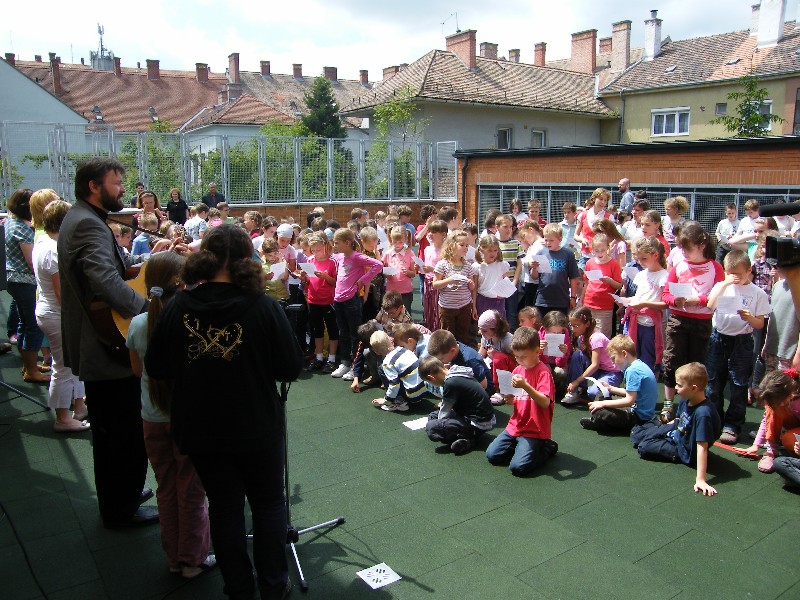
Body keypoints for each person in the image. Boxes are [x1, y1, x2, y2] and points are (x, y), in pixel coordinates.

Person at [145, 224, 302, 600]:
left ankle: (239, 589)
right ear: (247, 260)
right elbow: (290, 367)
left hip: (201, 427)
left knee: (225, 507)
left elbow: (158, 366)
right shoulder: (262, 306)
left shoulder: (180, 305)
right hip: (256, 425)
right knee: (267, 505)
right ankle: (273, 586)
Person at [59, 157, 160, 527]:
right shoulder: (87, 223)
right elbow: (105, 281)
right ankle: (120, 507)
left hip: (102, 339)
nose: (122, 189)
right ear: (93, 186)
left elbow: (116, 266)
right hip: (105, 343)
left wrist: (151, 261)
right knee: (119, 431)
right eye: (117, 183)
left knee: (117, 427)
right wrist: (149, 310)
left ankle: (125, 492)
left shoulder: (87, 218)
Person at [125, 251, 214, 579]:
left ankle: (175, 558)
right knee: (191, 489)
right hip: (187, 420)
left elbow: (137, 371)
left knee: (166, 487)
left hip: (152, 418)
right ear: (183, 283)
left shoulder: (137, 323)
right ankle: (192, 559)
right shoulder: (193, 323)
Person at [32, 199, 89, 432]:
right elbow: (61, 293)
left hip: (50, 311)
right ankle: (63, 417)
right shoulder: (53, 250)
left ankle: (78, 406)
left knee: (70, 362)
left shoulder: (44, 242)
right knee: (63, 366)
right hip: (57, 314)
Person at [661, 221, 724, 422]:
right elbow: (666, 294)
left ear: (701, 245)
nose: (684, 253)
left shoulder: (715, 267)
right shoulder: (679, 266)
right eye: (681, 248)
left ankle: (693, 405)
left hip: (702, 322)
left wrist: (699, 300)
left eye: (687, 248)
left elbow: (719, 295)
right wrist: (675, 300)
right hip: (678, 320)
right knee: (672, 361)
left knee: (696, 365)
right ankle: (669, 404)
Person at [704, 250, 769, 444]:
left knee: (739, 384)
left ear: (749, 270)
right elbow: (709, 305)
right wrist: (724, 283)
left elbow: (760, 324)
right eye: (729, 273)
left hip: (742, 341)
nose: (734, 278)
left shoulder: (758, 293)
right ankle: (715, 418)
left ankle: (733, 424)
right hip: (719, 338)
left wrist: (749, 317)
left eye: (738, 274)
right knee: (714, 382)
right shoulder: (722, 286)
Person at [631, 362, 721, 496]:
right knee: (636, 434)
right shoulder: (686, 398)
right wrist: (662, 428)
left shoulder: (703, 414)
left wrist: (700, 479)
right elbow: (677, 420)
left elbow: (702, 447)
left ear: (694, 388)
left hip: (682, 449)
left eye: (679, 385)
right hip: (677, 431)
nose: (676, 388)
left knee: (644, 447)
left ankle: (655, 436)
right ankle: (653, 433)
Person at [485, 327, 558, 476]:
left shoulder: (543, 372)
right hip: (517, 425)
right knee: (492, 455)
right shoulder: (518, 370)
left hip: (535, 428)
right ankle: (523, 448)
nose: (519, 360)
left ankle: (545, 448)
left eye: (523, 356)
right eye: (516, 356)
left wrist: (525, 385)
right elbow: (518, 398)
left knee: (518, 468)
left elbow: (545, 402)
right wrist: (510, 399)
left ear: (537, 352)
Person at [5, 188, 50, 383]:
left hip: (16, 280)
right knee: (32, 326)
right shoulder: (21, 228)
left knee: (24, 324)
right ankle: (31, 370)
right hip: (24, 281)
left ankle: (29, 366)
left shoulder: (11, 222)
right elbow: (32, 261)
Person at [330, 228, 382, 379]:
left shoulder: (357, 256)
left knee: (355, 334)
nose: (335, 246)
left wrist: (363, 280)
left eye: (337, 243)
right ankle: (345, 363)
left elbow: (378, 265)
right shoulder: (339, 257)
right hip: (338, 300)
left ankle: (355, 367)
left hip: (352, 301)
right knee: (343, 333)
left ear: (347, 243)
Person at [580, 335, 658, 434]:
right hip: (639, 411)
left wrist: (602, 403)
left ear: (624, 354)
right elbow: (631, 392)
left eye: (613, 358)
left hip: (639, 417)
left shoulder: (632, 371)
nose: (613, 362)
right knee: (603, 395)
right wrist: (610, 388)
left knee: (601, 411)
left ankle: (598, 422)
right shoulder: (639, 365)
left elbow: (629, 400)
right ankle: (599, 418)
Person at [419, 355, 496, 454]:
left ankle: (471, 438)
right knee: (432, 416)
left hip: (479, 422)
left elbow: (444, 412)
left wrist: (441, 426)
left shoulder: (450, 383)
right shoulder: (455, 372)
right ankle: (461, 437)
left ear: (431, 378)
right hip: (471, 414)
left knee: (432, 427)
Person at [621, 236, 668, 373]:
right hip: (635, 321)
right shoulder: (641, 275)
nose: (640, 262)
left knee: (649, 357)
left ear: (655, 255)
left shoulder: (663, 275)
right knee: (634, 354)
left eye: (644, 259)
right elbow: (638, 296)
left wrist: (644, 304)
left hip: (650, 324)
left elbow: (666, 303)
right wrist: (625, 301)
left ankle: (649, 381)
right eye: (638, 259)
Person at [563, 306, 622, 405]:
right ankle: (574, 392)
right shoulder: (581, 336)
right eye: (571, 325)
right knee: (578, 355)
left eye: (576, 326)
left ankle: (613, 391)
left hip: (612, 372)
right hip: (599, 370)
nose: (573, 329)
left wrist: (576, 381)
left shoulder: (596, 338)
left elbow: (595, 364)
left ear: (587, 324)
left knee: (592, 393)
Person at [298, 234, 338, 373]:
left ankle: (332, 359)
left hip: (328, 300)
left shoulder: (332, 261)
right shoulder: (310, 260)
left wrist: (325, 276)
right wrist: (304, 277)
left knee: (332, 329)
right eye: (313, 250)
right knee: (317, 329)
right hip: (312, 299)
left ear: (326, 247)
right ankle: (319, 357)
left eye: (319, 250)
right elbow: (308, 281)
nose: (316, 253)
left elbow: (335, 282)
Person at [432, 229, 477, 345]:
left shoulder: (467, 266)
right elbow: (435, 284)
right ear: (452, 245)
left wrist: (471, 285)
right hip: (447, 307)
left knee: (463, 336)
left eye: (467, 245)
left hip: (464, 306)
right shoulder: (443, 264)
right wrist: (449, 280)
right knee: (448, 337)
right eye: (462, 245)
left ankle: (461, 358)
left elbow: (472, 287)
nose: (465, 248)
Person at [369, 326, 428, 412]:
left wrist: (386, 400)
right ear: (391, 340)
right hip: (425, 390)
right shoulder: (404, 349)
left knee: (381, 369)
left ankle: (398, 402)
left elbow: (394, 385)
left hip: (412, 396)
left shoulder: (387, 362)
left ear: (377, 352)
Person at [530, 223, 580, 320]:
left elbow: (573, 277)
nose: (548, 243)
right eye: (546, 240)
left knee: (560, 327)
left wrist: (573, 297)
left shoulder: (568, 254)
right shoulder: (541, 252)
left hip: (561, 299)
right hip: (543, 299)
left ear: (560, 239)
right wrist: (534, 268)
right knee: (543, 327)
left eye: (551, 240)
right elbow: (535, 277)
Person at [580, 234, 623, 339]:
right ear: (592, 250)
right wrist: (582, 298)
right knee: (587, 333)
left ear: (608, 248)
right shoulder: (590, 262)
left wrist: (609, 281)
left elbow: (619, 285)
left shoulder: (614, 264)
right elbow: (586, 282)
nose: (600, 253)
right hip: (589, 302)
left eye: (602, 250)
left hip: (605, 306)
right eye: (597, 250)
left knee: (602, 336)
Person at [477, 310, 515, 406]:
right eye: (481, 330)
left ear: (496, 329)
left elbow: (517, 359)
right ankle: (488, 386)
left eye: (485, 330)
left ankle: (502, 390)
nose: (481, 333)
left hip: (509, 371)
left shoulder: (508, 340)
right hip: (493, 368)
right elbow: (482, 352)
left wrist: (496, 354)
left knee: (498, 358)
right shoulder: (486, 336)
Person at [494, 214, 524, 328]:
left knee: (511, 313)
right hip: (496, 286)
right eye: (505, 227)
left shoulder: (515, 243)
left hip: (511, 284)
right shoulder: (493, 243)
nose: (509, 230)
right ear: (497, 227)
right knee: (497, 314)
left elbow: (519, 263)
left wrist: (514, 282)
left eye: (511, 227)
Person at [382, 225, 417, 312]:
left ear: (405, 239)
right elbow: (383, 269)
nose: (397, 245)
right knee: (390, 313)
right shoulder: (388, 253)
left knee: (405, 313)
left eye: (400, 242)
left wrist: (408, 272)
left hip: (405, 290)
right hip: (391, 290)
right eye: (395, 242)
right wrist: (387, 275)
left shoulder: (410, 253)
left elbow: (413, 273)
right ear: (391, 240)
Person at [473, 234, 508, 317]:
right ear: (481, 249)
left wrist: (503, 293)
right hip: (483, 300)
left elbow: (506, 283)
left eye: (495, 250)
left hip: (498, 301)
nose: (493, 253)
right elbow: (474, 288)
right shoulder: (477, 266)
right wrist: (474, 305)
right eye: (489, 250)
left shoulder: (502, 265)